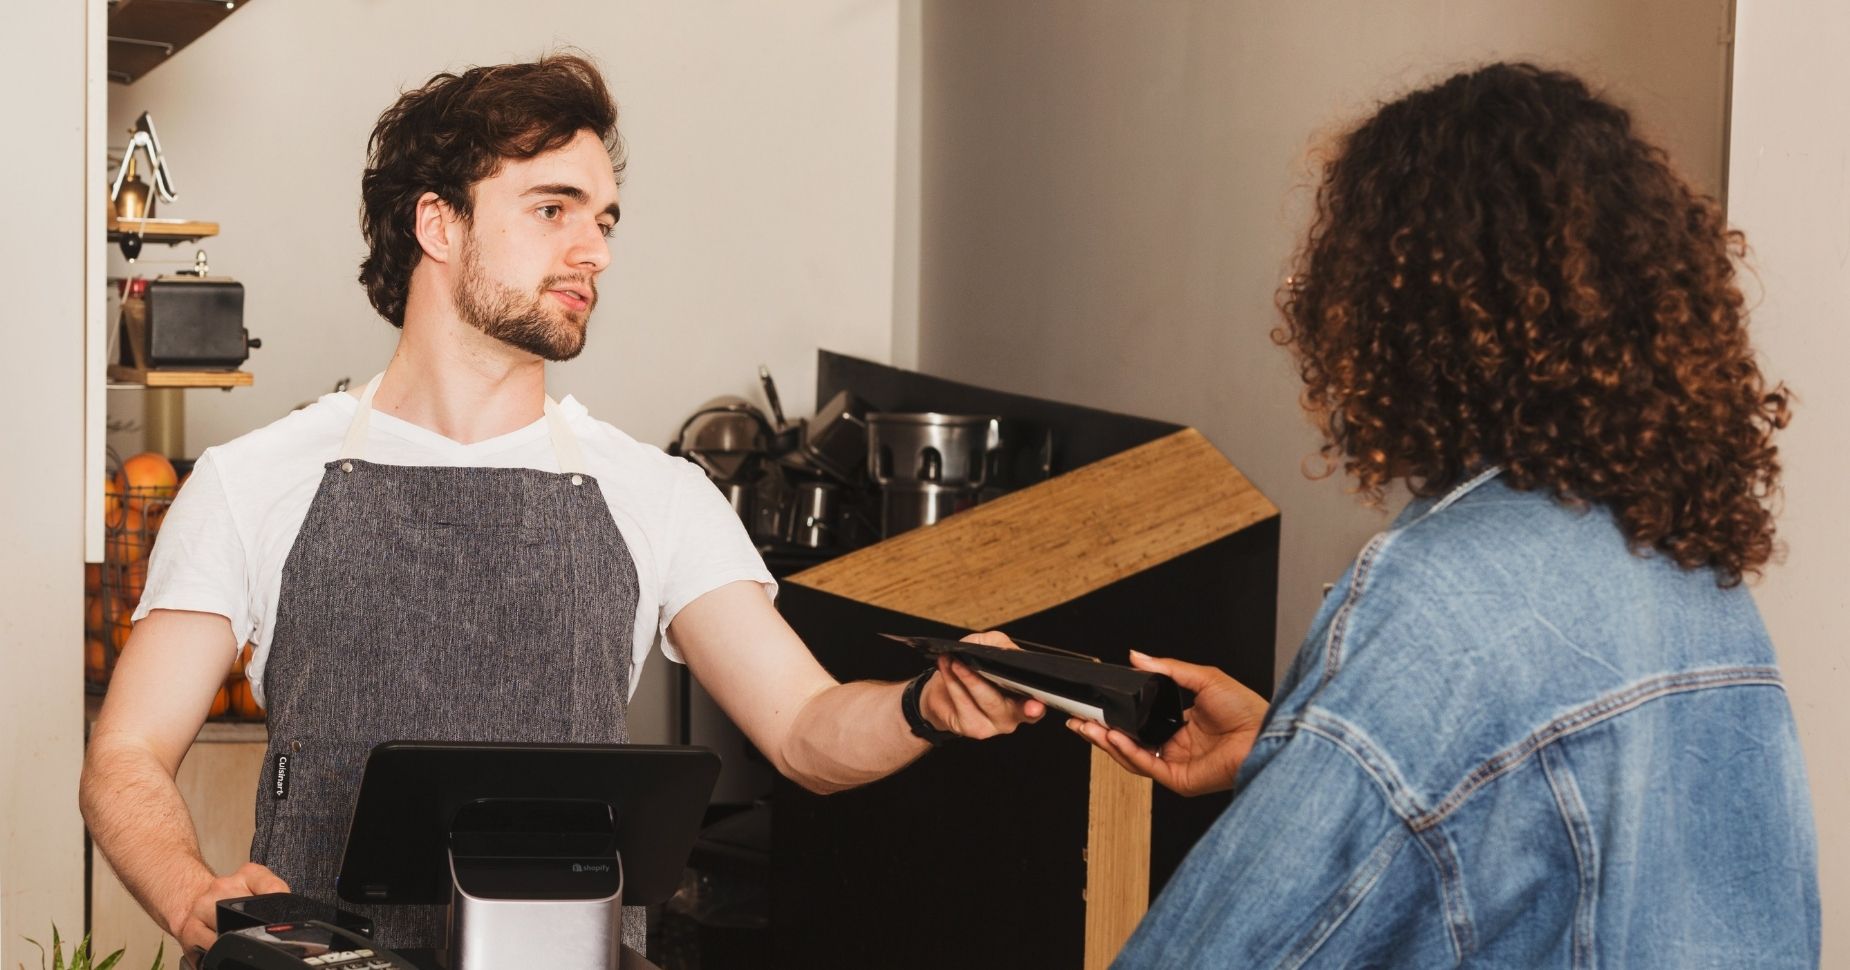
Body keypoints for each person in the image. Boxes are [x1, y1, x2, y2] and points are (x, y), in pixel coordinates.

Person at [79, 53, 1041, 956]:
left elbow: (804, 729)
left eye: (607, 220)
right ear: (438, 226)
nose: (597, 252)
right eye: (554, 209)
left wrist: (926, 707)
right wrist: (186, 890)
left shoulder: (655, 496)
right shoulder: (258, 480)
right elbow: (124, 754)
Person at [1067, 63, 1820, 967]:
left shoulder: (1440, 598)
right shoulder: (1691, 572)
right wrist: (1300, 747)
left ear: (1394, 308)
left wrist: (1330, 760)